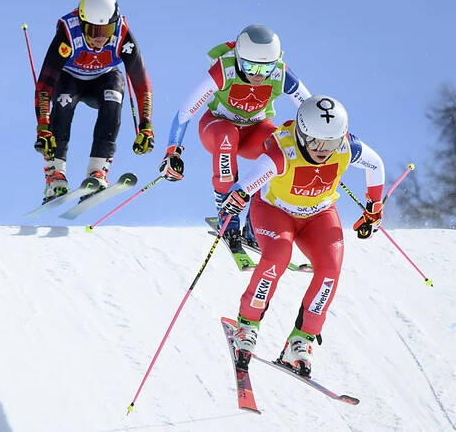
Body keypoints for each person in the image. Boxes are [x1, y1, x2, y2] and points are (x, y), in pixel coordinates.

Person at [218, 95, 385, 375]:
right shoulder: (283, 152)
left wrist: (374, 206)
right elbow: (252, 179)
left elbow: (376, 164)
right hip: (275, 212)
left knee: (330, 269)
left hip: (318, 215)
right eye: (316, 142)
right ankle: (246, 326)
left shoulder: (346, 147)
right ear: (301, 133)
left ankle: (300, 341)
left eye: (330, 143)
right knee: (277, 257)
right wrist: (238, 195)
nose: (323, 150)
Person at [159, 24, 311, 249]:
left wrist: (326, 141)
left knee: (281, 146)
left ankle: (255, 227)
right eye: (251, 67)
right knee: (227, 135)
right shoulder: (224, 69)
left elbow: (310, 109)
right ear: (240, 59)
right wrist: (172, 151)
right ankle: (228, 221)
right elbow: (186, 111)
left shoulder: (281, 73)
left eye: (265, 69)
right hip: (217, 127)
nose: (257, 76)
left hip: (255, 131)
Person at [33, 0, 154, 203]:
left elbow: (141, 82)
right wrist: (43, 127)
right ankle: (55, 175)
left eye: (106, 30)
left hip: (104, 77)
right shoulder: (68, 33)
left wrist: (146, 126)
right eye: (93, 30)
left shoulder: (123, 35)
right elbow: (45, 85)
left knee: (113, 98)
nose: (99, 37)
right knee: (64, 101)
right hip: (69, 78)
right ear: (81, 23)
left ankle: (98, 171)